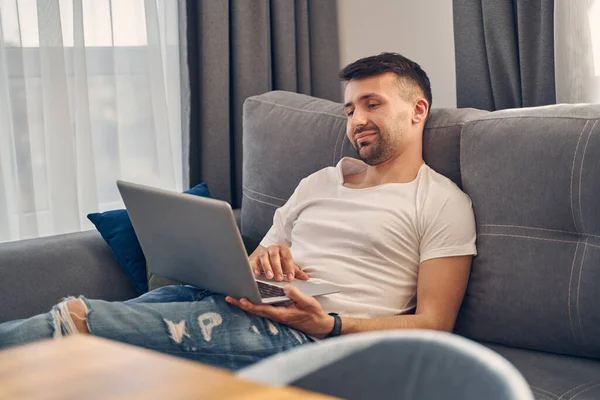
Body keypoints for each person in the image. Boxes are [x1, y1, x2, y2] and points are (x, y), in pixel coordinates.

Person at [0, 53, 477, 371]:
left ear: (418, 110)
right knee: (77, 329)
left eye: (372, 104)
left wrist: (328, 324)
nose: (357, 120)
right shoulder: (320, 182)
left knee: (77, 323)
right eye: (350, 109)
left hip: (313, 339)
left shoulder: (440, 201)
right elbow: (255, 262)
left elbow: (435, 321)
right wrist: (264, 263)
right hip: (239, 303)